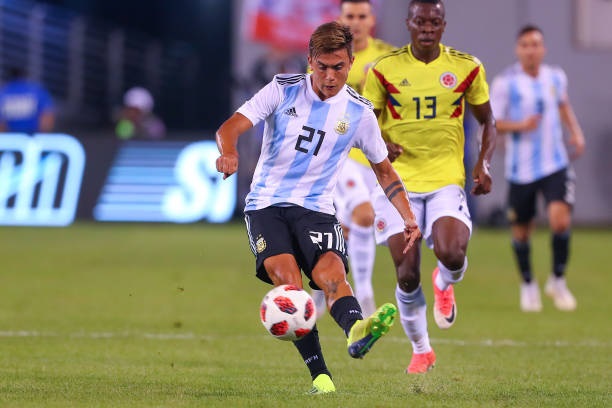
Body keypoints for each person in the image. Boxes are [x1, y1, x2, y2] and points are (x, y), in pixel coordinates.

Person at [215, 22, 421, 394]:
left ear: (351, 62)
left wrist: (407, 216)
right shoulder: (282, 89)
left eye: (338, 67)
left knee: (331, 275)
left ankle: (357, 331)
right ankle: (321, 377)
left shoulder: (359, 113)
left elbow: (385, 171)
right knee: (290, 287)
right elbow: (230, 127)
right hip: (267, 205)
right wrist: (229, 151)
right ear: (309, 61)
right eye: (322, 66)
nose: (329, 76)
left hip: (316, 208)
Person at [362, 0, 496, 373]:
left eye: (433, 21)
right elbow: (365, 122)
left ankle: (444, 282)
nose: (426, 27)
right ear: (408, 23)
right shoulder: (385, 69)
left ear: (443, 25)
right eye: (420, 21)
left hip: (443, 179)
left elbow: (489, 121)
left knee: (452, 254)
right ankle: (421, 349)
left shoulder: (466, 67)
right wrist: (382, 144)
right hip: (396, 184)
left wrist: (483, 164)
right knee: (406, 273)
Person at [490, 25, 585, 312]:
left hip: (555, 162)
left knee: (560, 221)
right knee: (522, 232)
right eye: (526, 45)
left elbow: (563, 105)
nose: (532, 49)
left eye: (536, 44)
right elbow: (493, 121)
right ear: (518, 50)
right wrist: (520, 125)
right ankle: (529, 284)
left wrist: (576, 132)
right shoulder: (506, 82)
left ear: (543, 48)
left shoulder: (555, 77)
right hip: (521, 169)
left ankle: (557, 279)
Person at [311, 0, 396, 318]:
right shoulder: (326, 58)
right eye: (350, 16)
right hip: (339, 156)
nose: (356, 22)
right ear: (341, 19)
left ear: (372, 20)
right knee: (364, 215)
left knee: (343, 228)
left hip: (373, 158)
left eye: (362, 16)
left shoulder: (388, 58)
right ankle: (365, 294)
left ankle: (322, 288)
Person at [0, 67, 54, 133]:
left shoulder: (3, 92)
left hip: (10, 137)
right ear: (25, 76)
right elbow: (47, 116)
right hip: (33, 137)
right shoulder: (37, 91)